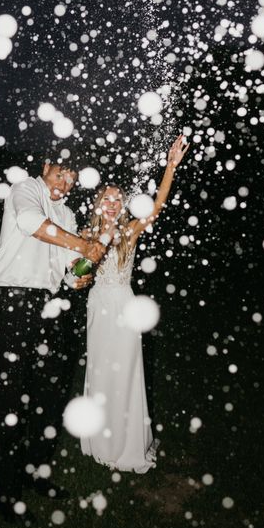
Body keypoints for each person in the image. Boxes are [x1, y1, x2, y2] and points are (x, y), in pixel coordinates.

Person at [0, 158, 106, 522]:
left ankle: (36, 473)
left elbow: (69, 267)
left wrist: (79, 276)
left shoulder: (67, 214)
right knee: (12, 398)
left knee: (50, 395)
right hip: (14, 300)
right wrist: (83, 246)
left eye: (71, 179)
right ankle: (6, 492)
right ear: (46, 166)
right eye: (61, 174)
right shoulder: (26, 189)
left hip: (52, 305)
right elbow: (30, 224)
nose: (65, 183)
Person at [81, 135, 190, 472]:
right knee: (99, 370)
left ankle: (126, 442)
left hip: (123, 304)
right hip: (98, 305)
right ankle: (99, 438)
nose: (112, 204)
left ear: (123, 205)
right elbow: (77, 274)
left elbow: (157, 204)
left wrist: (170, 166)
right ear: (98, 203)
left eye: (117, 199)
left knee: (126, 371)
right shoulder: (84, 235)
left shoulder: (129, 231)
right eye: (107, 198)